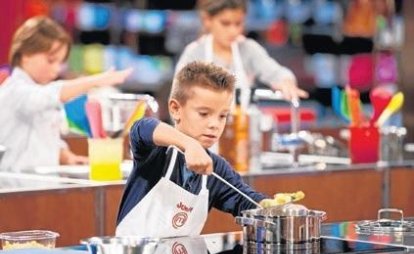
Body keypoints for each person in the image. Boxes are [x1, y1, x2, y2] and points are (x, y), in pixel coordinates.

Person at [116, 61, 280, 238]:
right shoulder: (156, 152)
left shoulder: (215, 168)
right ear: (176, 109)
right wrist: (189, 144)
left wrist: (279, 208)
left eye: (222, 116)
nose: (214, 124)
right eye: (204, 114)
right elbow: (141, 128)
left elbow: (245, 200)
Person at [0, 16, 132, 171]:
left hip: (41, 186)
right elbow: (52, 94)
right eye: (50, 60)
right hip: (13, 188)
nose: (56, 69)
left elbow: (45, 137)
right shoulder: (14, 90)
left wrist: (68, 157)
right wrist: (96, 80)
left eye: (60, 63)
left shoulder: (40, 90)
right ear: (26, 54)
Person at [175, 0, 308, 104]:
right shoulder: (194, 52)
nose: (233, 31)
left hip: (243, 130)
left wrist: (286, 82)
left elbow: (276, 72)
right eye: (225, 23)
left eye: (238, 24)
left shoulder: (248, 49)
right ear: (207, 21)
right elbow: (178, 98)